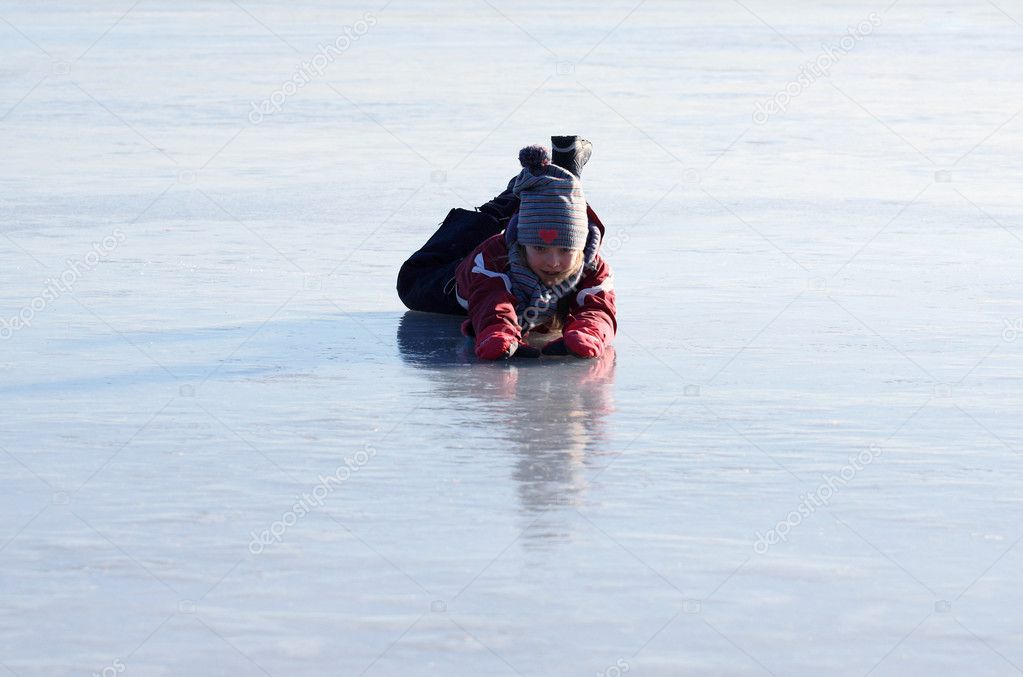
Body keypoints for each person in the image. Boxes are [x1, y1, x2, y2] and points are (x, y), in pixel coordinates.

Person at [396, 137, 617, 360]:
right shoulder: (493, 258)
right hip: (453, 279)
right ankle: (508, 202)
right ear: (521, 243)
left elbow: (598, 309)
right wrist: (498, 335)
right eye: (540, 248)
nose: (553, 261)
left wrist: (589, 335)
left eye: (565, 250)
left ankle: (554, 181)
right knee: (411, 282)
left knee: (553, 221)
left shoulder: (592, 264)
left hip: (535, 235)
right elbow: (492, 303)